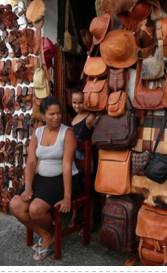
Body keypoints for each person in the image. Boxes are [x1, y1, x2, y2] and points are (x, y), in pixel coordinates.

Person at [10, 96, 79, 261]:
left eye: (59, 113)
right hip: (42, 177)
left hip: (62, 178)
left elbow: (67, 166)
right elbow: (32, 162)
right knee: (15, 205)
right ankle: (47, 234)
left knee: (35, 210)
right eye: (51, 114)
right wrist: (28, 188)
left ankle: (48, 235)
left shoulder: (67, 133)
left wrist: (67, 198)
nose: (56, 117)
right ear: (43, 115)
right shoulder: (38, 132)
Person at [68, 87, 96, 235]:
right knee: (75, 187)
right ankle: (75, 216)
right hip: (74, 157)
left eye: (80, 102)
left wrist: (86, 146)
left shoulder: (90, 117)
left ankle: (90, 222)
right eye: (74, 102)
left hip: (86, 158)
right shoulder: (73, 118)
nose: (77, 106)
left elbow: (97, 137)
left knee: (88, 189)